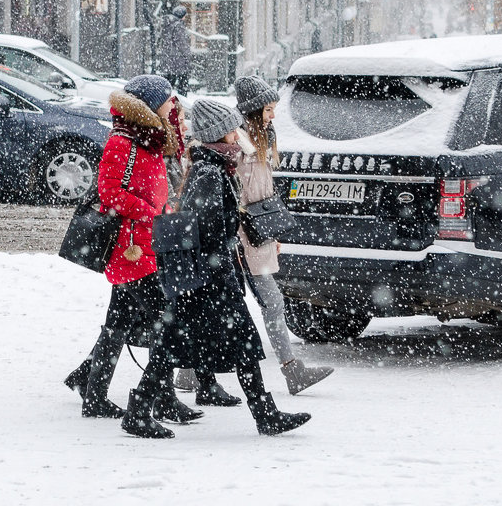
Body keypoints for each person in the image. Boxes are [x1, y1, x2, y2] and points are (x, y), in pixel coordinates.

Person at [121, 99, 310, 438]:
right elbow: (206, 231)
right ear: (219, 133)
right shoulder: (211, 173)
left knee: (193, 344)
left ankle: (263, 413)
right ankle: (263, 414)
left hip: (209, 279)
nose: (238, 135)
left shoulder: (213, 167)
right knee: (206, 344)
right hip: (211, 281)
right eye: (232, 128)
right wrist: (225, 255)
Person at [63, 75, 200, 424]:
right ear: (150, 105)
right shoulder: (124, 141)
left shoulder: (148, 140)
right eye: (169, 100)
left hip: (144, 244)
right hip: (131, 250)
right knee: (166, 324)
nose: (175, 106)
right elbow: (109, 193)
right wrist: (149, 212)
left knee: (117, 326)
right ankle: (160, 399)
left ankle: (93, 396)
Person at [233, 75, 333, 395]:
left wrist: (271, 227)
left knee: (256, 303)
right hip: (240, 234)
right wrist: (236, 231)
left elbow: (265, 187)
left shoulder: (262, 137)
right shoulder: (239, 140)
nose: (273, 115)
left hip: (258, 231)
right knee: (245, 304)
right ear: (253, 110)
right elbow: (236, 190)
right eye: (268, 109)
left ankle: (191, 372)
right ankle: (291, 371)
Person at [158, 5, 192, 95]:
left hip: (168, 61)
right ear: (182, 15)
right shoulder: (178, 26)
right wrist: (187, 57)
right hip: (178, 61)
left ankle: (165, 105)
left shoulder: (167, 25)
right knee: (182, 86)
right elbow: (182, 44)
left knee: (168, 87)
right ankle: (180, 106)